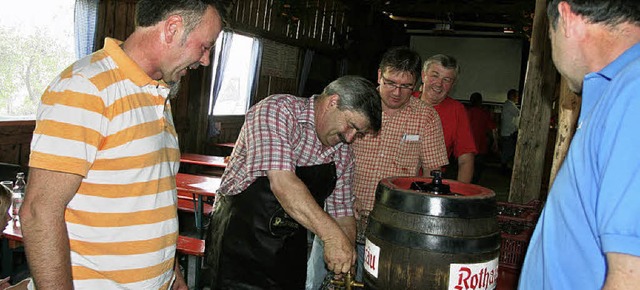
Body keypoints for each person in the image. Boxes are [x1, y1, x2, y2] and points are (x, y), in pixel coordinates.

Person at [20, 1, 224, 289]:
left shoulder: (158, 92)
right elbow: (39, 212)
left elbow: (150, 196)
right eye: (205, 46)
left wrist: (170, 270)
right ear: (173, 28)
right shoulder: (86, 87)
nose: (205, 60)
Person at [204, 75, 382, 289]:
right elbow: (283, 184)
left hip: (289, 248)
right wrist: (332, 237)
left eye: (358, 133)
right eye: (350, 125)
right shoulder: (277, 112)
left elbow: (342, 213)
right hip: (239, 243)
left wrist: (346, 255)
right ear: (333, 102)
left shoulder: (343, 152)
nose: (351, 138)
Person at [519, 0, 640, 289]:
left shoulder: (633, 93)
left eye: (550, 33)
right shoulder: (614, 90)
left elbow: (631, 277)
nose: (553, 46)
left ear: (567, 17)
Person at [305, 47, 449, 289]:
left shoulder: (426, 117)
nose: (396, 92)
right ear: (379, 75)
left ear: (416, 84)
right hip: (341, 211)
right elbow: (326, 154)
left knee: (371, 281)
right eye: (390, 82)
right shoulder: (354, 104)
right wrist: (343, 200)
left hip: (390, 223)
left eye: (406, 86)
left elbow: (433, 172)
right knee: (319, 279)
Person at [419, 54, 477, 183]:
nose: (439, 84)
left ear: (453, 84)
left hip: (430, 184)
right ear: (423, 76)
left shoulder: (457, 110)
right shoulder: (406, 99)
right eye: (435, 76)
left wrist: (461, 195)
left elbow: (466, 159)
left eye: (447, 80)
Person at [466, 92, 498, 184]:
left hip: (468, 146)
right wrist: (495, 143)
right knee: (478, 171)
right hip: (481, 146)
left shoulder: (467, 112)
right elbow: (493, 128)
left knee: (467, 169)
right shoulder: (484, 113)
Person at [499, 89, 520, 175]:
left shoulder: (507, 104)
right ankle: (504, 169)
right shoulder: (510, 105)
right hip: (509, 133)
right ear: (512, 96)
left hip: (507, 132)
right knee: (508, 152)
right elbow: (518, 113)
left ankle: (504, 167)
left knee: (507, 151)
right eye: (516, 96)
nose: (517, 98)